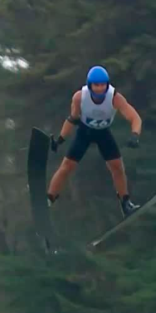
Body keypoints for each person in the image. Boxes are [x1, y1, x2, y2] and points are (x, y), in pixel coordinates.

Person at [47, 65, 142, 217]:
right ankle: (49, 198)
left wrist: (135, 134)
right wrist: (60, 140)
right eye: (96, 85)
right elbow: (73, 119)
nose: (99, 89)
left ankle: (125, 203)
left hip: (103, 133)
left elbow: (134, 117)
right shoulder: (79, 97)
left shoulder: (115, 97)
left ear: (107, 84)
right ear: (90, 85)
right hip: (85, 132)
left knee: (117, 167)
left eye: (102, 85)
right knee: (67, 166)